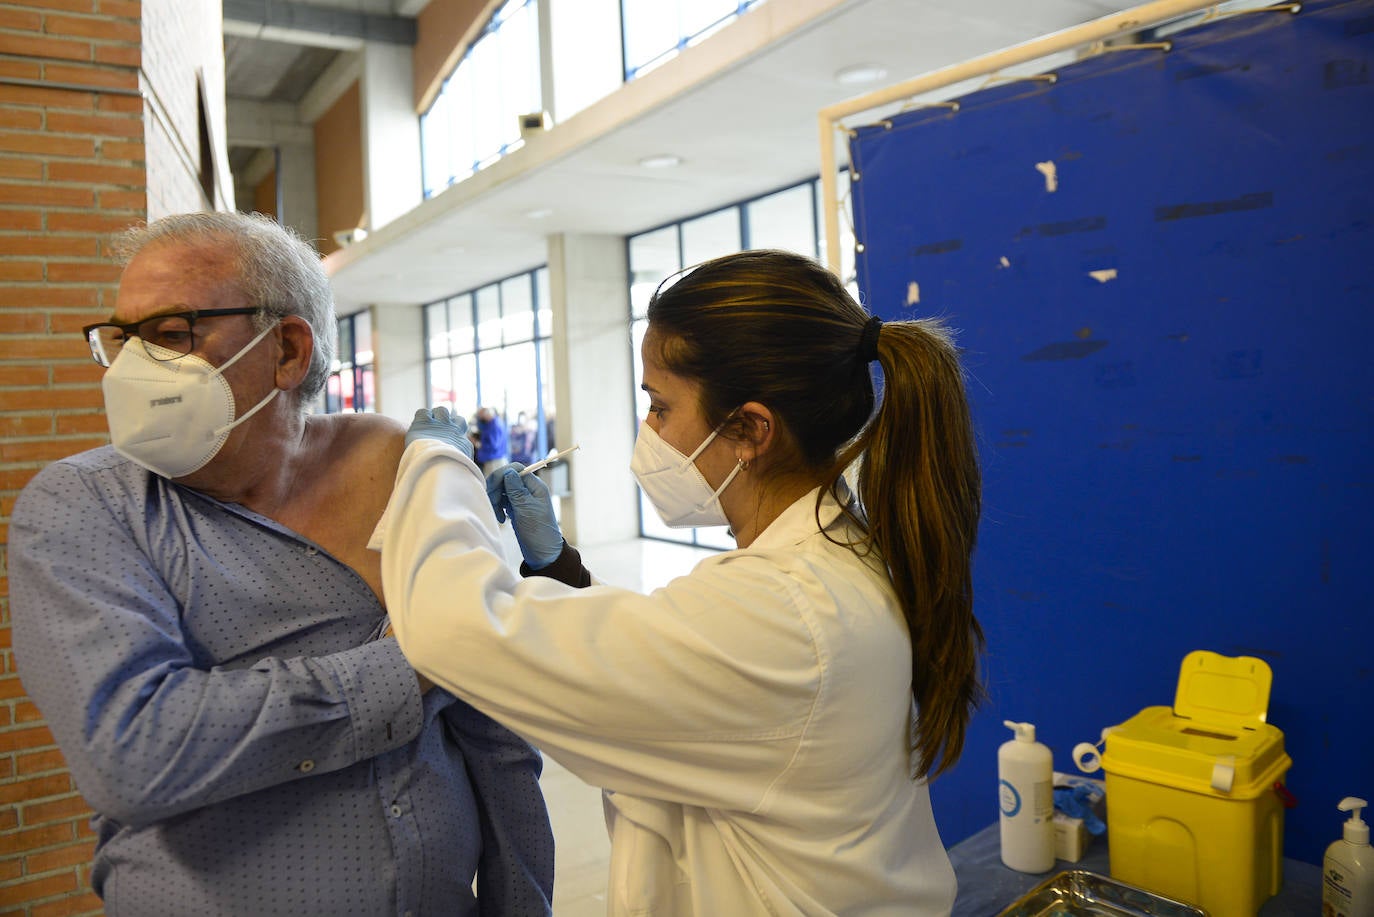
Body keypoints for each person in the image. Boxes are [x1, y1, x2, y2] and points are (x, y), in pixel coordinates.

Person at [374, 249, 985, 915]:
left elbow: (452, 628)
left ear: (751, 428)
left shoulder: (783, 611)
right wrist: (559, 570)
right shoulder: (833, 554)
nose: (649, 431)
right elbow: (666, 671)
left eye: (660, 407)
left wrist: (438, 466)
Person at [8, 211, 554, 917]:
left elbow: (491, 723)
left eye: (172, 335)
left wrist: (522, 902)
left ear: (288, 351)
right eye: (121, 339)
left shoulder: (391, 464)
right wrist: (412, 661)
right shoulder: (86, 504)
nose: (133, 370)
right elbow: (135, 752)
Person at [473, 406, 509, 473]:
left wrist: (478, 444)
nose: (480, 419)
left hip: (495, 462)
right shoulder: (491, 424)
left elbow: (494, 446)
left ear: (486, 415)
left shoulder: (494, 425)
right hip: (492, 461)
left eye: (480, 416)